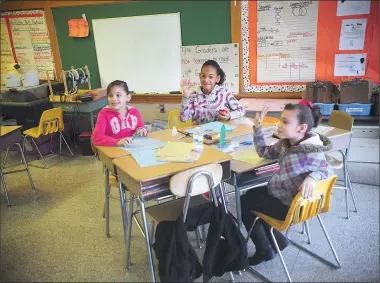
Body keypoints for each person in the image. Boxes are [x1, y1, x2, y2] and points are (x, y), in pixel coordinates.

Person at [241, 99, 334, 266]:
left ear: (301, 128)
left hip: (291, 207)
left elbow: (328, 171)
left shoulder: (310, 150)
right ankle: (278, 240)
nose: (279, 124)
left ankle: (265, 249)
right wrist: (258, 127)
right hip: (280, 193)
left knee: (245, 202)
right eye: (280, 119)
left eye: (285, 121)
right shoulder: (287, 143)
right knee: (250, 196)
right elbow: (264, 152)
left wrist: (314, 177)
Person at [180, 60, 245, 125]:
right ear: (200, 76)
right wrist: (186, 97)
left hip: (219, 132)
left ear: (217, 78)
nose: (206, 80)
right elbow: (184, 119)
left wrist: (229, 115)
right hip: (199, 133)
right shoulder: (194, 94)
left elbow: (241, 110)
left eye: (211, 77)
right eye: (203, 76)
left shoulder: (224, 93)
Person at [92, 80, 147, 147]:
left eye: (118, 95)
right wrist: (116, 142)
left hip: (133, 149)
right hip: (113, 151)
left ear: (128, 97)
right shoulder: (103, 114)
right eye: (110, 95)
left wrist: (141, 130)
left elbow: (140, 127)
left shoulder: (135, 112)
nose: (113, 99)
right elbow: (96, 138)